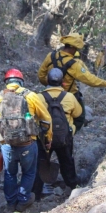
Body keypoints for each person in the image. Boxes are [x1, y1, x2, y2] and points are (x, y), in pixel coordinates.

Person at [0, 69, 52, 212]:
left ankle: (11, 203)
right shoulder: (31, 96)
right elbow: (46, 119)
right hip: (28, 144)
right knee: (29, 172)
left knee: (9, 173)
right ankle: (24, 200)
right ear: (21, 82)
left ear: (6, 83)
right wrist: (47, 138)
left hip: (7, 145)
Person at [37, 33, 106, 131]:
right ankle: (71, 131)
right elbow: (91, 80)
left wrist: (50, 85)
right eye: (77, 49)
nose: (77, 51)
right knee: (80, 117)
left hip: (48, 94)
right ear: (73, 47)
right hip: (69, 95)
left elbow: (41, 75)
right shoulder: (75, 64)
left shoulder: (50, 56)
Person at [32, 68, 82, 199]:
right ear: (62, 82)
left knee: (40, 163)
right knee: (67, 162)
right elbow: (78, 114)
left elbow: (31, 116)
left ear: (47, 80)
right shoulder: (70, 97)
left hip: (43, 138)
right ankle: (73, 189)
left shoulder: (38, 97)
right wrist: (73, 130)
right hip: (64, 137)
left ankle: (36, 193)